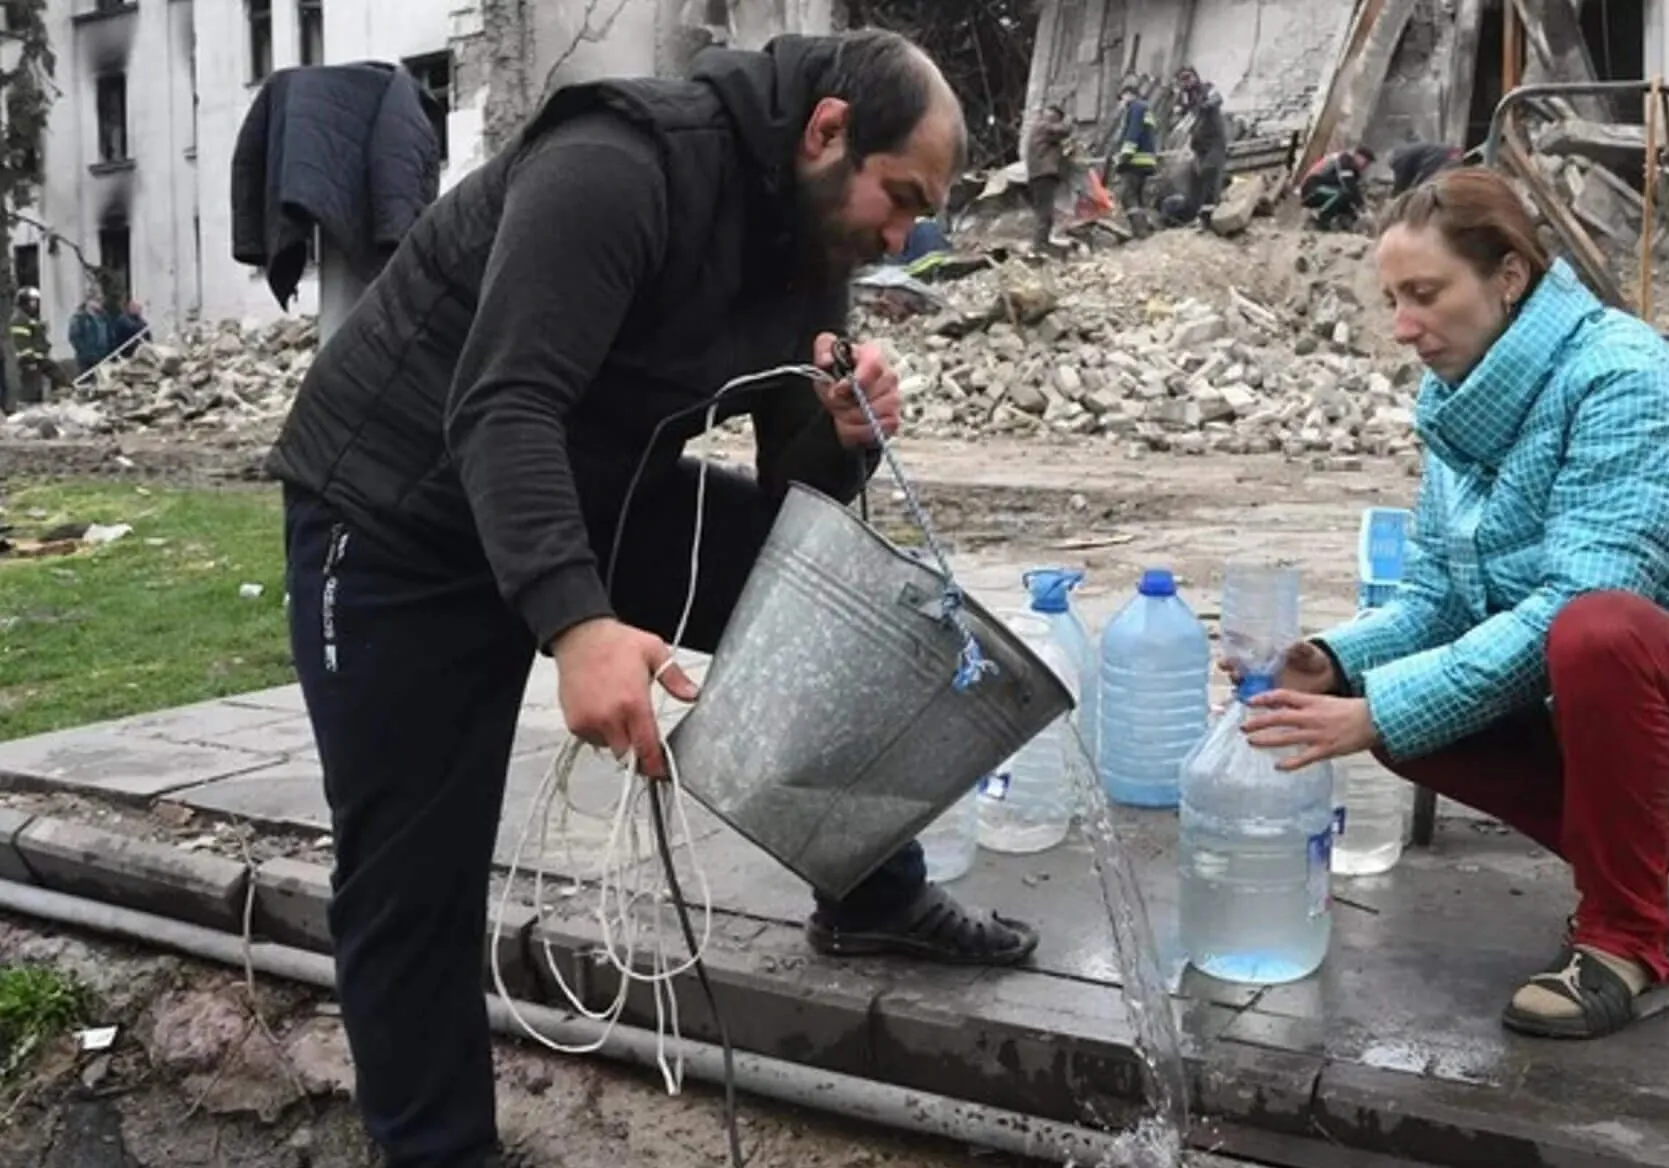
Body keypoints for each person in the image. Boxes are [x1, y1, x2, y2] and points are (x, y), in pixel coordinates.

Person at [262, 30, 1039, 1166]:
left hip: (583, 487)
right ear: (827, 130)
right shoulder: (616, 167)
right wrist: (576, 625)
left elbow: (802, 501)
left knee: (845, 603)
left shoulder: (811, 234)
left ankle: (871, 890)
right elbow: (502, 407)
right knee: (411, 879)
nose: (905, 235)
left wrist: (843, 439)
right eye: (903, 197)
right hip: (394, 515)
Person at [1238, 169, 1669, 1041]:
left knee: (1594, 628)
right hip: (1615, 708)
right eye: (1392, 299)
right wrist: (1335, 664)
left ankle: (1627, 943)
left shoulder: (1621, 378)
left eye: (1425, 294)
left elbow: (1586, 601)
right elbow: (1437, 598)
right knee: (1411, 710)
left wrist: (1381, 709)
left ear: (1508, 277)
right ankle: (1636, 881)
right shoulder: (1462, 408)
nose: (1403, 326)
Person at [1174, 67, 1227, 225]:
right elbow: (1178, 115)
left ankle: (1208, 216)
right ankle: (1196, 214)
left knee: (1210, 171)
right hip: (1198, 144)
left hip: (1214, 141)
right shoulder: (1183, 97)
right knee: (1196, 177)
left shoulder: (1207, 89)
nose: (1187, 82)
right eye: (1182, 79)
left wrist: (1204, 106)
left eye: (1188, 77)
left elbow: (1217, 99)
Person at [1109, 82, 1160, 237]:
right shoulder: (1147, 109)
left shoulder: (1136, 108)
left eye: (1121, 98)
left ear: (1129, 94)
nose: (1121, 102)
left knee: (1127, 195)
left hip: (1135, 161)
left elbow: (1132, 134)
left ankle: (1140, 231)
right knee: (1137, 196)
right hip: (1146, 160)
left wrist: (1123, 157)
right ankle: (1146, 226)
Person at [1025, 103, 1072, 251]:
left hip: (1038, 175)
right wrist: (1068, 122)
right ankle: (1038, 248)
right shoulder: (1044, 126)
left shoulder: (1039, 128)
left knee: (1045, 214)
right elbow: (1063, 131)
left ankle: (1041, 245)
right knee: (1044, 214)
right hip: (1042, 175)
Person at [1299, 145, 1375, 231]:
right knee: (1345, 193)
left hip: (1325, 188)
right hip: (1311, 188)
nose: (1366, 166)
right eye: (1366, 162)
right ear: (1358, 156)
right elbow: (1349, 186)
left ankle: (1338, 224)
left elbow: (1352, 193)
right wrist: (1363, 208)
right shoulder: (1344, 159)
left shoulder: (1353, 170)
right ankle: (1321, 218)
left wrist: (1356, 215)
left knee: (1349, 207)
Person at [7, 287, 56, 409]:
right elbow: (22, 343)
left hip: (37, 361)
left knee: (38, 391)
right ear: (24, 302)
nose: (35, 305)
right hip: (29, 363)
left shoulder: (27, 318)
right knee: (31, 394)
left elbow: (34, 336)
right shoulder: (19, 319)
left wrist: (41, 328)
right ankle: (27, 414)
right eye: (32, 301)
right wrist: (30, 361)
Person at [1385, 139, 1463, 197]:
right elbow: (1408, 176)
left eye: (1392, 167)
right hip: (1449, 153)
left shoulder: (1398, 158)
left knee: (1424, 185)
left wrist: (1394, 196)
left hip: (1438, 157)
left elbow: (1402, 180)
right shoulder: (1405, 152)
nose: (1394, 169)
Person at [68, 293, 112, 376]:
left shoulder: (104, 317)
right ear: (89, 302)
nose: (101, 303)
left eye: (102, 300)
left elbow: (109, 335)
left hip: (103, 356)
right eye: (97, 300)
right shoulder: (79, 318)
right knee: (86, 380)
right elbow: (74, 337)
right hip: (86, 359)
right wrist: (85, 352)